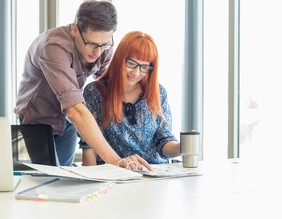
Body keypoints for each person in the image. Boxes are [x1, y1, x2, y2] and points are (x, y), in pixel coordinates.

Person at [14, 1, 151, 171]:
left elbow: (105, 84)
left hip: (67, 121)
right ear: (74, 29)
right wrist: (116, 161)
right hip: (37, 121)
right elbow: (75, 110)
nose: (98, 52)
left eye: (104, 44)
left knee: (66, 178)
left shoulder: (103, 46)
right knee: (47, 180)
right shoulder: (54, 47)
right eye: (92, 44)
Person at [79, 31, 181, 166]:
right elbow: (89, 145)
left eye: (144, 67)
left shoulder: (158, 92)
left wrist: (183, 147)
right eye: (132, 63)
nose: (136, 72)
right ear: (120, 59)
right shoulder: (95, 92)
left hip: (153, 173)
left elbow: (164, 141)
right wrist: (92, 181)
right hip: (113, 173)